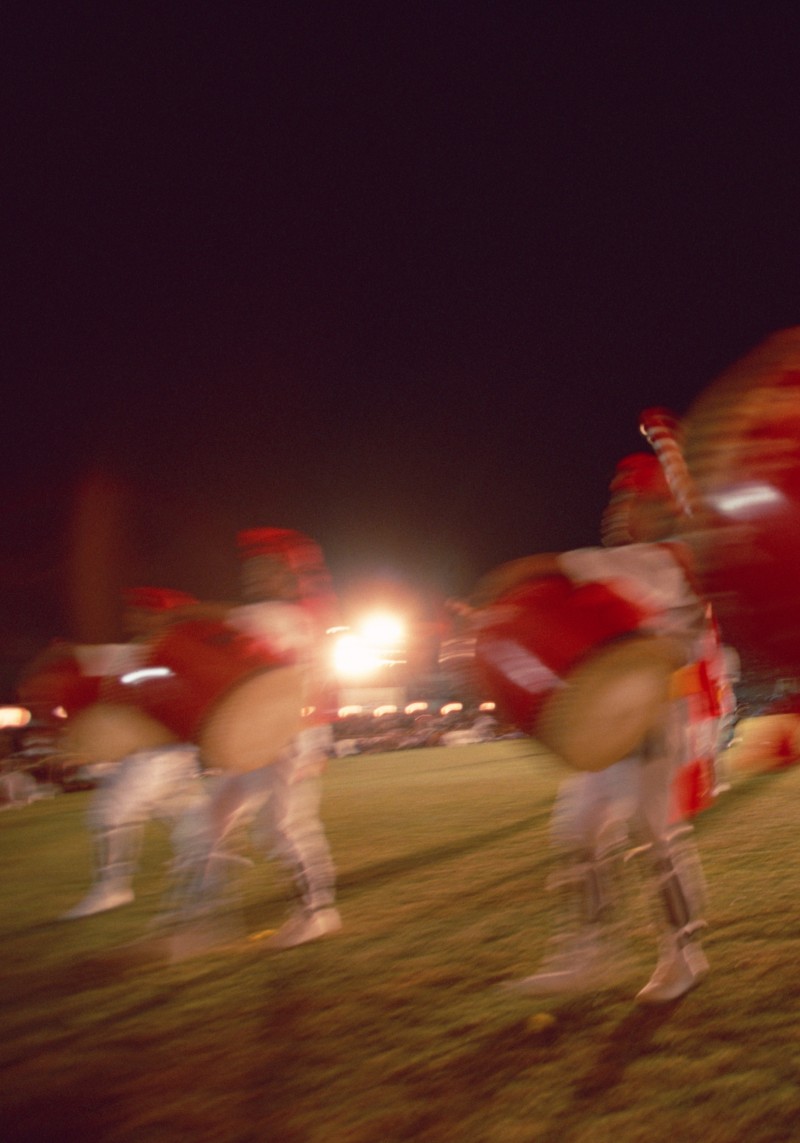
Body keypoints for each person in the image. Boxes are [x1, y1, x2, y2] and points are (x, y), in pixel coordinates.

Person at [472, 452, 713, 1004]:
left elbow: (564, 568)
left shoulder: (663, 560)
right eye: (616, 500)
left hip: (653, 715)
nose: (616, 511)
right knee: (577, 832)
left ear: (659, 510)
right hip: (608, 710)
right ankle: (583, 954)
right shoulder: (642, 561)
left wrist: (514, 576)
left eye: (630, 500)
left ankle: (683, 955)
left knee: (655, 833)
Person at [191, 527, 341, 949]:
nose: (252, 575)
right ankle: (207, 916)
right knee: (211, 819)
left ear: (287, 578)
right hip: (260, 733)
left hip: (288, 733)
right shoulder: (272, 614)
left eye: (265, 568)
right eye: (250, 568)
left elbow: (247, 645)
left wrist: (186, 616)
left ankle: (317, 913)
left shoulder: (286, 616)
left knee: (283, 826)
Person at [55, 587, 210, 920]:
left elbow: (189, 702)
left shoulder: (177, 652)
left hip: (162, 752)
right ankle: (209, 866)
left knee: (112, 812)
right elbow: (85, 670)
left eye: (143, 612)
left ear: (161, 617)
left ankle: (112, 889)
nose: (132, 617)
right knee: (189, 818)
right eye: (133, 611)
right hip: (151, 752)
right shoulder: (129, 653)